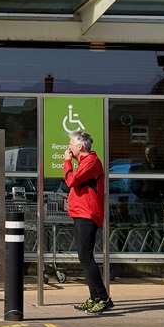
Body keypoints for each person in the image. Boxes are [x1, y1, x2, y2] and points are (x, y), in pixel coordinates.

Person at [63, 130, 111, 313]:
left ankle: (103, 298)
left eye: (71, 144)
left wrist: (67, 161)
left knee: (85, 256)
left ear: (80, 146)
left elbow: (71, 181)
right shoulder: (84, 161)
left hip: (87, 214)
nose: (69, 147)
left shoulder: (91, 161)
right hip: (81, 213)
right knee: (84, 256)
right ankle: (95, 297)